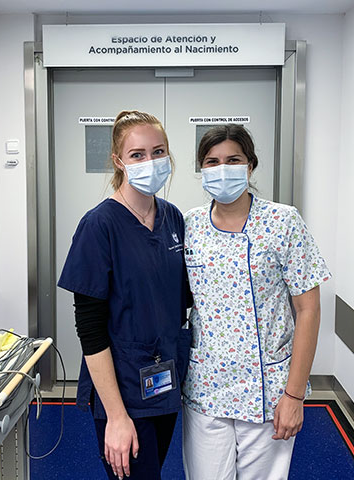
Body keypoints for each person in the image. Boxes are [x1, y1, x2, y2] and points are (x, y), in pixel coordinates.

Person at [182, 124, 331, 480]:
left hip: (270, 391)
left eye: (233, 160)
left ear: (250, 166)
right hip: (206, 389)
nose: (222, 169)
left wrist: (294, 396)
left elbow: (308, 310)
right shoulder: (189, 225)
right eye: (212, 161)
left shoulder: (283, 221)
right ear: (202, 169)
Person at [58, 110, 191, 480]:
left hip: (163, 382)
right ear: (118, 161)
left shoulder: (173, 218)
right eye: (137, 154)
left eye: (158, 151)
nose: (151, 162)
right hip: (122, 391)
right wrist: (116, 416)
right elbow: (90, 329)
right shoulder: (99, 225)